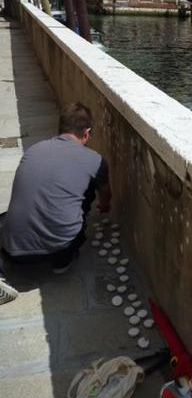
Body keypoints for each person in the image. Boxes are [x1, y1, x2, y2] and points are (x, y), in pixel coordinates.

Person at [0, 102, 111, 305]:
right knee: (87, 189)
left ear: (60, 129)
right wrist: (104, 206)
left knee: (6, 216)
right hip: (60, 249)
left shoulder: (34, 150)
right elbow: (105, 196)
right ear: (87, 133)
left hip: (11, 252)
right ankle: (63, 262)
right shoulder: (95, 160)